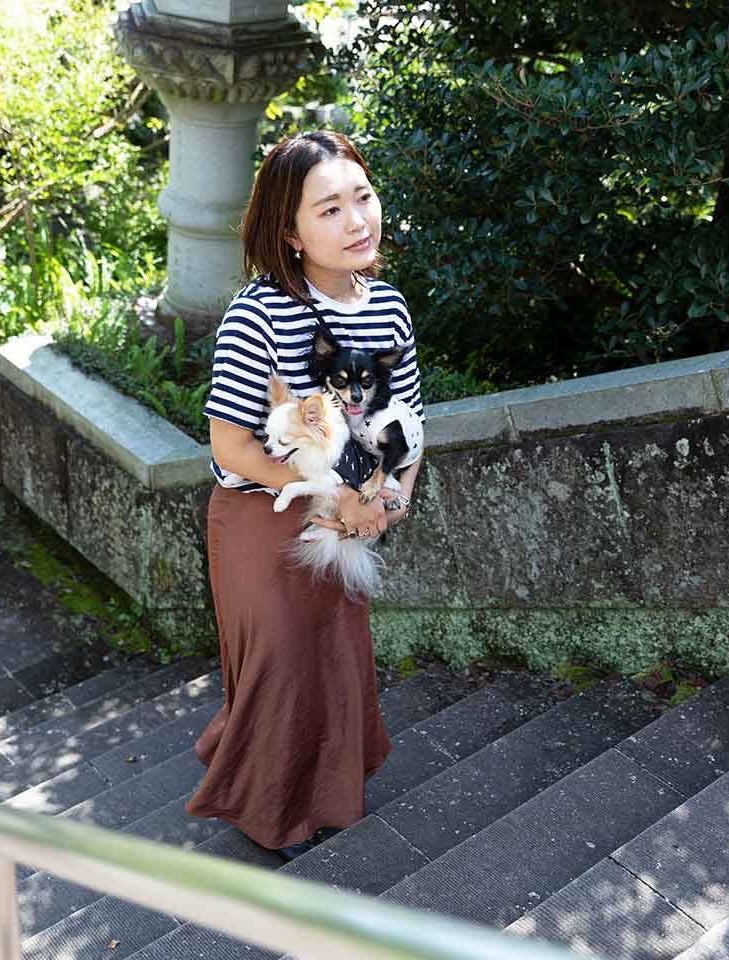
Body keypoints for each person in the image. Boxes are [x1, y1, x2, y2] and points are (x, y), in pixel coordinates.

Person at [184, 130, 425, 859]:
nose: (357, 220)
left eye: (363, 197)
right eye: (329, 209)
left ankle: (314, 791)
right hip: (266, 510)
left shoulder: (389, 309)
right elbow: (231, 448)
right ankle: (268, 813)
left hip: (349, 512)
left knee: (332, 659)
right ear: (289, 233)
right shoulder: (257, 313)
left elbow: (408, 426)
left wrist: (388, 502)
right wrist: (333, 486)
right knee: (282, 664)